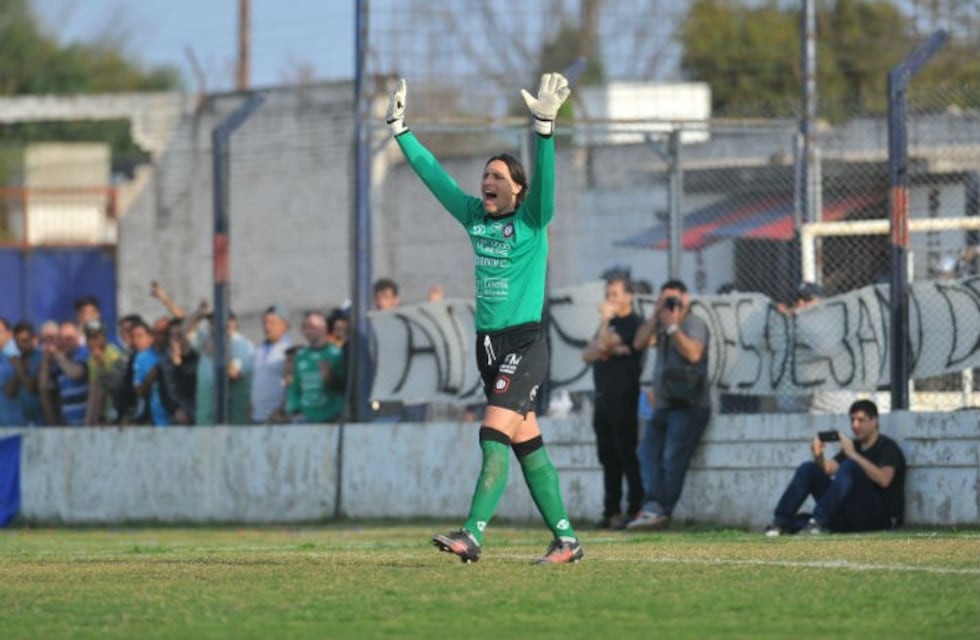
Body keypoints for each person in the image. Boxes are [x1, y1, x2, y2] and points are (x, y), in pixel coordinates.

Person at [387, 72, 583, 564]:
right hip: (489, 348)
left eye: (498, 176)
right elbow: (435, 177)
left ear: (519, 189)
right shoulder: (475, 216)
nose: (487, 182)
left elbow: (549, 183)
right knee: (528, 446)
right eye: (485, 175)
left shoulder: (532, 219)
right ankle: (567, 540)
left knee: (491, 433)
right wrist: (400, 131)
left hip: (524, 345)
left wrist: (543, 130)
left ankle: (472, 534)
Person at [627, 279, 711, 531]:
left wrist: (674, 327)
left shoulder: (693, 323)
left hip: (689, 405)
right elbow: (638, 343)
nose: (671, 305)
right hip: (663, 405)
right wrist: (656, 317)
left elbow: (694, 353)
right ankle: (653, 506)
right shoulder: (661, 324)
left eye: (674, 299)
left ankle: (661, 509)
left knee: (672, 458)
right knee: (646, 453)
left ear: (686, 299)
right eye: (665, 300)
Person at [764, 399, 906, 535]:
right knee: (808, 468)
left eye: (861, 420)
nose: (855, 425)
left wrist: (852, 455)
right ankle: (780, 523)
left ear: (874, 421)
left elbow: (884, 479)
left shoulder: (887, 447)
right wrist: (818, 454)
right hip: (849, 516)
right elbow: (828, 469)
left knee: (850, 466)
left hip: (877, 518)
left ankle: (818, 521)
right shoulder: (854, 446)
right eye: (852, 420)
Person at [581, 274, 644, 530]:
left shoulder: (632, 323)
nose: (610, 300)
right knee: (607, 457)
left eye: (615, 295)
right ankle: (611, 510)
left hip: (623, 396)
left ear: (629, 296)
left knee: (625, 454)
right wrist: (606, 348)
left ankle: (635, 507)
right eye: (608, 295)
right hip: (603, 398)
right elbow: (587, 354)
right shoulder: (610, 325)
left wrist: (605, 324)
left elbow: (604, 343)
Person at [286, 310, 344, 423]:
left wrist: (329, 378)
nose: (307, 331)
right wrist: (295, 410)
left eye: (312, 327)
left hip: (330, 418)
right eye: (305, 327)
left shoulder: (336, 354)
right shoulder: (301, 355)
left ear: (323, 328)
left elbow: (343, 386)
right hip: (306, 417)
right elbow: (295, 387)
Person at [39, 321, 90, 426]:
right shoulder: (61, 362)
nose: (65, 342)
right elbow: (44, 387)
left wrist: (58, 356)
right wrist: (46, 360)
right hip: (67, 423)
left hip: (86, 423)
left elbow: (76, 373)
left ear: (78, 338)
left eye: (69, 338)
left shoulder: (84, 353)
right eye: (62, 339)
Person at [251, 305, 292, 424]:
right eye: (265, 323)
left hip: (275, 418)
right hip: (257, 416)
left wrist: (281, 410)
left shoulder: (288, 351)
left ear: (284, 325)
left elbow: (290, 384)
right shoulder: (259, 350)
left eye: (272, 323)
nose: (267, 327)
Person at [82, 320, 126, 425]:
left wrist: (101, 364)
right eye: (89, 338)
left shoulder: (113, 354)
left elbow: (114, 384)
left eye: (96, 337)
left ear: (104, 338)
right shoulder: (91, 359)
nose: (92, 341)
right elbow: (94, 389)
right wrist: (88, 420)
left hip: (118, 410)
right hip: (105, 414)